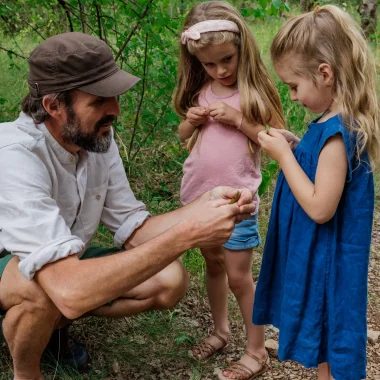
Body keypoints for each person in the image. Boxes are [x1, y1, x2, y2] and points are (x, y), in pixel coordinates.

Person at [0, 32, 256, 380]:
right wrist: (187, 235)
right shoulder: (16, 155)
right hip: (16, 266)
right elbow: (70, 290)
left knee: (170, 280)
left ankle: (48, 328)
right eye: (100, 101)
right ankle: (27, 371)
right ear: (53, 106)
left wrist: (205, 206)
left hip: (62, 264)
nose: (116, 111)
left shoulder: (94, 136)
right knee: (43, 291)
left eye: (116, 97)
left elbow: (132, 227)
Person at [253, 5, 380, 380]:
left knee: (332, 335)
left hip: (330, 263)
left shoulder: (338, 133)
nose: (291, 97)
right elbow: (320, 169)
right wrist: (297, 149)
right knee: (325, 343)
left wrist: (282, 158)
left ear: (324, 73)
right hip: (320, 256)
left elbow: (321, 206)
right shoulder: (328, 124)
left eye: (293, 86)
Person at [173, 2, 284, 379]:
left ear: (243, 51)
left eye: (227, 59)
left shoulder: (252, 95)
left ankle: (256, 350)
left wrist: (239, 120)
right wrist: (190, 122)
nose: (220, 70)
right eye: (209, 64)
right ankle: (220, 331)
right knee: (213, 265)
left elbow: (276, 140)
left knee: (239, 276)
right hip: (199, 198)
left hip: (237, 203)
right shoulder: (202, 91)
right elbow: (183, 136)